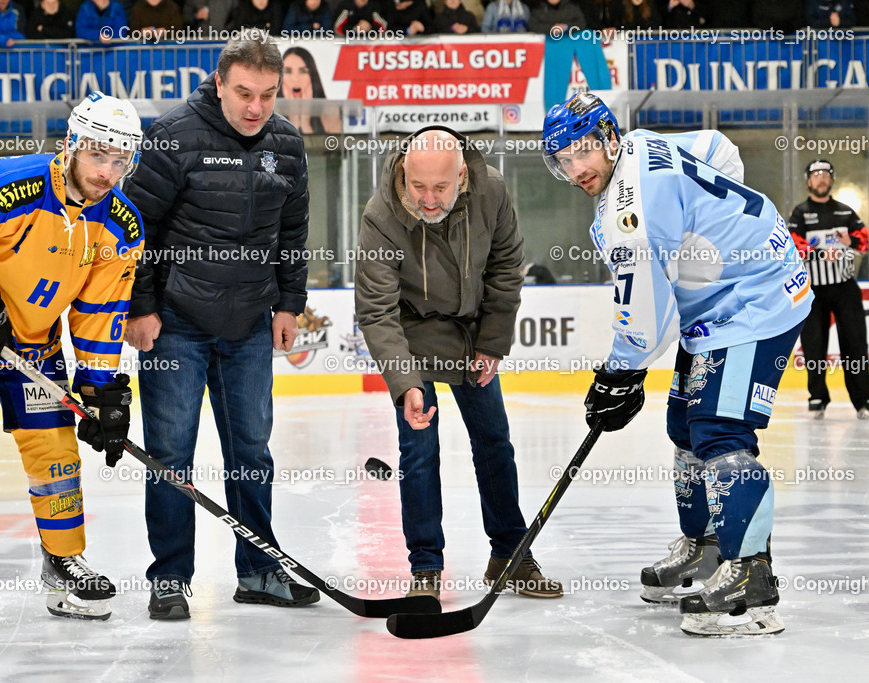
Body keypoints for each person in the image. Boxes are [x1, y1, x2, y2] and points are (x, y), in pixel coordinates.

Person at [542, 93, 813, 636]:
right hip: (718, 307)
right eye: (562, 160)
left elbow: (647, 321)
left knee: (719, 431)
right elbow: (719, 148)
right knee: (684, 425)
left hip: (755, 300)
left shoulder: (630, 208)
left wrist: (617, 374)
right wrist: (713, 225)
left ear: (609, 137)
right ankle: (708, 550)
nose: (575, 170)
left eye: (581, 152)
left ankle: (751, 576)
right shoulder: (645, 145)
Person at [0, 92, 145, 641]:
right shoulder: (5, 183)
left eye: (118, 160)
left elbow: (100, 309)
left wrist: (99, 388)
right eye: (97, 155)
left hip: (31, 345)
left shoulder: (122, 226)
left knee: (55, 451)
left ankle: (63, 565)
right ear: (70, 146)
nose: (107, 172)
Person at [122, 36, 318, 620]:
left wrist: (289, 305)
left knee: (252, 451)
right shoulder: (174, 135)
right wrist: (140, 306)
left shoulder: (285, 143)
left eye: (266, 94)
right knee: (170, 455)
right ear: (220, 81)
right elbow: (135, 228)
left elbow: (293, 233)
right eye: (243, 94)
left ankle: (259, 570)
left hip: (250, 324)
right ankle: (170, 578)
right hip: (176, 324)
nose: (256, 108)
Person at [354, 127, 564, 604]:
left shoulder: (490, 189)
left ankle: (509, 556)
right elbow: (376, 310)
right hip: (412, 336)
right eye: (418, 186)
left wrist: (491, 343)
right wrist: (405, 383)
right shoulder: (381, 214)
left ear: (462, 176)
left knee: (494, 441)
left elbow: (507, 265)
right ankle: (425, 566)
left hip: (471, 337)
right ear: (404, 171)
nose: (428, 200)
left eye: (440, 188)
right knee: (420, 447)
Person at [787, 159, 869, 419]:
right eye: (816, 175)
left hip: (845, 289)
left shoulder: (845, 212)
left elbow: (865, 241)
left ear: (832, 180)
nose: (821, 179)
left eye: (825, 174)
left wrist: (851, 240)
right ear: (808, 181)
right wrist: (820, 253)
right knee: (813, 345)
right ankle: (818, 397)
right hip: (814, 292)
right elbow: (792, 245)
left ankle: (863, 400)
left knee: (856, 345)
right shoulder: (800, 213)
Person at [279, 46, 341, 134]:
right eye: (288, 71)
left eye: (303, 71)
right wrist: (294, 122)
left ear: (312, 77)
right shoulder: (270, 112)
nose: (295, 79)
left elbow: (337, 147)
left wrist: (305, 124)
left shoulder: (329, 111)